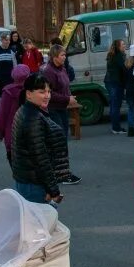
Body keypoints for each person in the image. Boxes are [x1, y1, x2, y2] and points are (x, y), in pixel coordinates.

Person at [11, 74, 70, 207]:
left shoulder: (28, 111)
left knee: (34, 225)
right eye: (42, 92)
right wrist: (53, 190)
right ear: (29, 94)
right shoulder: (32, 118)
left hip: (28, 181)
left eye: (49, 91)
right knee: (39, 225)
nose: (47, 96)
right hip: (34, 185)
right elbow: (40, 158)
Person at [41, 44, 80, 183]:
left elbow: (65, 86)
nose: (65, 57)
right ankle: (60, 174)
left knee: (62, 139)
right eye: (62, 55)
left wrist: (69, 98)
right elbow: (48, 94)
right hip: (53, 109)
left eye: (65, 55)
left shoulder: (62, 68)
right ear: (54, 56)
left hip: (62, 108)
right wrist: (66, 98)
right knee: (58, 141)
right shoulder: (49, 72)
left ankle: (60, 172)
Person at [0, 63, 32, 171]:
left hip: (13, 137)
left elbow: (2, 116)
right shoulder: (33, 91)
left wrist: (0, 133)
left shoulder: (8, 92)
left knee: (18, 173)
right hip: (31, 136)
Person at [105, 39, 129, 135]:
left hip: (110, 82)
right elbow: (124, 69)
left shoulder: (112, 55)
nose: (124, 45)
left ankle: (115, 126)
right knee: (116, 106)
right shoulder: (119, 56)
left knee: (113, 105)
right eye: (123, 44)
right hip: (115, 83)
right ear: (118, 46)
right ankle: (116, 128)